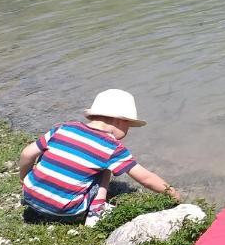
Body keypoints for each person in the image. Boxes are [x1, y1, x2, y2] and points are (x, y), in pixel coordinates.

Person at [18, 89, 181, 227]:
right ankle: (97, 209)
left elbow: (27, 154)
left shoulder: (63, 128)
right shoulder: (111, 147)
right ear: (120, 120)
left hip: (29, 198)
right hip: (67, 211)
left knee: (51, 154)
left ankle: (39, 188)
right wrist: (172, 193)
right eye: (129, 125)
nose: (128, 131)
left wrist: (24, 178)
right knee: (104, 167)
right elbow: (146, 178)